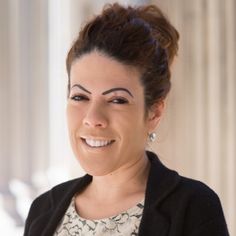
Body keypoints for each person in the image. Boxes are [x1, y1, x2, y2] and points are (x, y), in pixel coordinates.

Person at [24, 3, 229, 236]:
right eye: (80, 96)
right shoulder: (43, 210)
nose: (93, 118)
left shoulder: (193, 207)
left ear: (154, 113)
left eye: (117, 100)